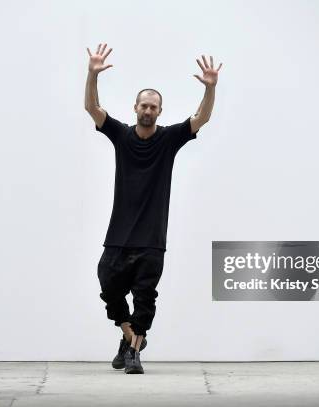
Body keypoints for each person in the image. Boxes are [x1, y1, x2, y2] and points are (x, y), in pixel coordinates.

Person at [84, 43, 222, 374]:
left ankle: (133, 353)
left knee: (146, 297)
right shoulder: (120, 135)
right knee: (108, 285)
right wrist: (92, 74)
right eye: (144, 105)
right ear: (135, 108)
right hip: (118, 234)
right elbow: (92, 107)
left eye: (154, 107)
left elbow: (201, 117)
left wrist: (210, 89)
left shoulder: (169, 139)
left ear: (160, 111)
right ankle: (130, 335)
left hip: (151, 238)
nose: (148, 110)